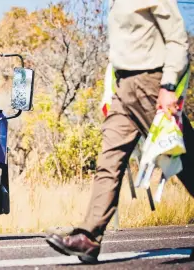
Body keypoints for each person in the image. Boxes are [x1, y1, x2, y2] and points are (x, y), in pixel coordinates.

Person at [45, 0, 194, 264]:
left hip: (152, 83)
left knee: (184, 158)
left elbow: (177, 40)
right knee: (109, 160)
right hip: (123, 88)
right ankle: (89, 237)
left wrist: (169, 85)